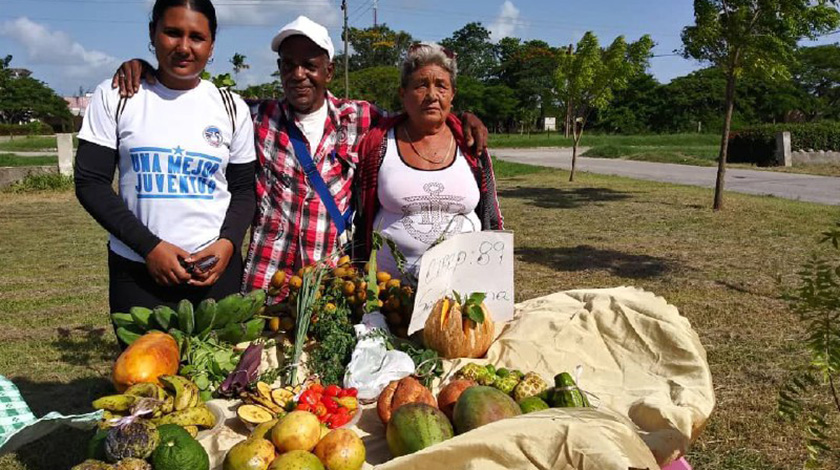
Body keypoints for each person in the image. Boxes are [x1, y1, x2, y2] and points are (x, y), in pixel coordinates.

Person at [113, 16, 488, 303]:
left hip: (333, 283)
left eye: (310, 65)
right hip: (265, 283)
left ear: (328, 69)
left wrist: (462, 121)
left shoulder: (359, 119)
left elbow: (420, 112)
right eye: (288, 64)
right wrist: (151, 75)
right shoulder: (252, 118)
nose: (299, 75)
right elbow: (195, 102)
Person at [75, 0, 257, 322]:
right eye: (172, 33)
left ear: (212, 44)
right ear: (153, 33)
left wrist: (228, 244)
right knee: (142, 373)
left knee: (223, 372)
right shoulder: (117, 96)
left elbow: (243, 190)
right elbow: (91, 182)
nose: (184, 47)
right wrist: (149, 247)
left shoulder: (231, 107)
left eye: (197, 37)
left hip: (214, 274)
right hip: (138, 273)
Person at [356, 42, 503, 278]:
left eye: (441, 86)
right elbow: (361, 217)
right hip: (390, 296)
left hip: (464, 292)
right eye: (421, 85)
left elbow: (492, 215)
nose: (432, 95)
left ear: (452, 95)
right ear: (402, 93)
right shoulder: (379, 144)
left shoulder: (471, 145)